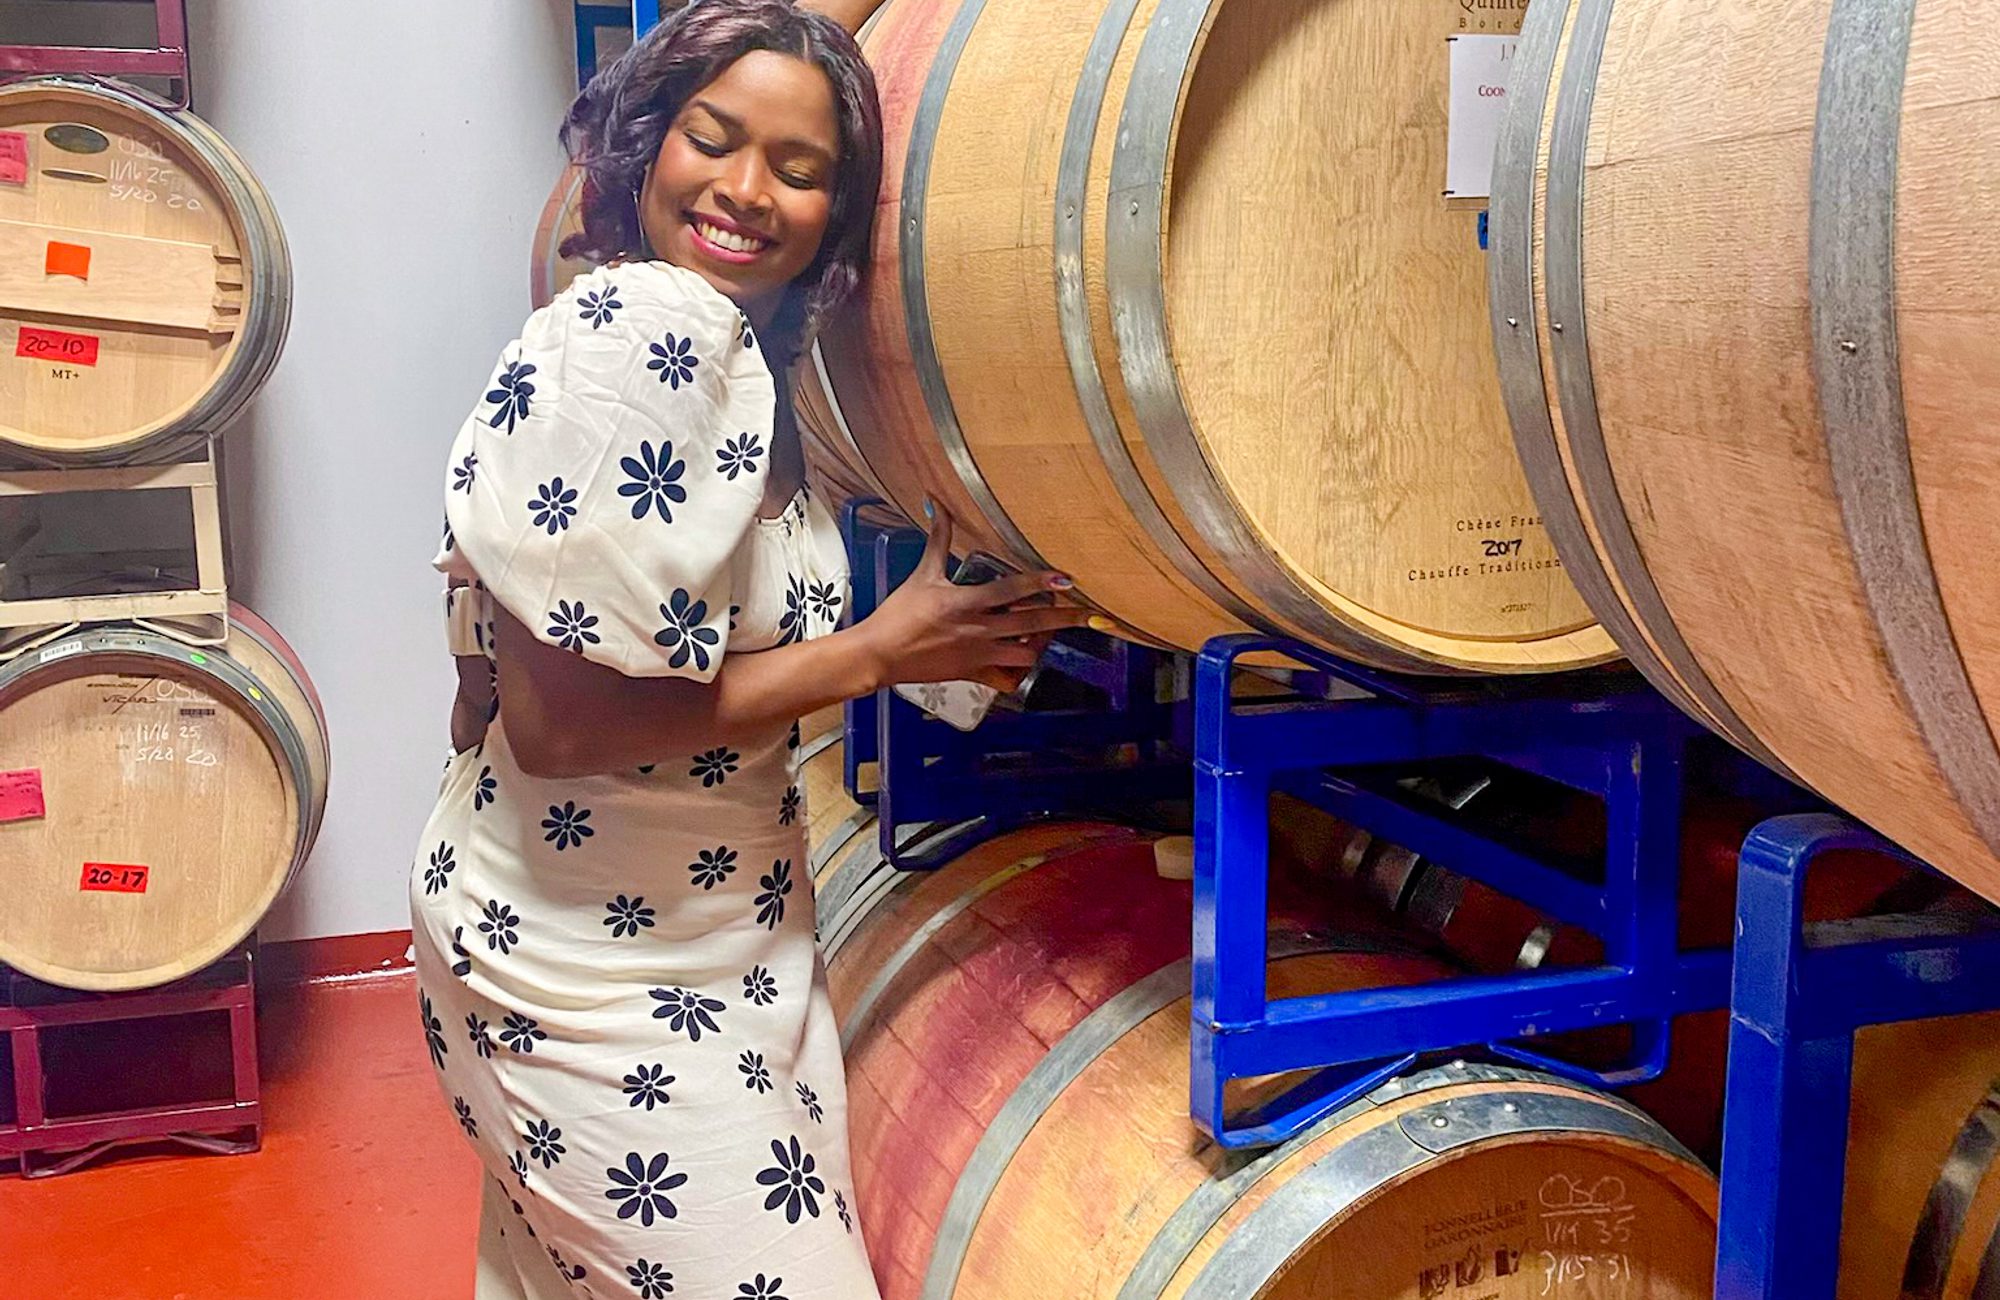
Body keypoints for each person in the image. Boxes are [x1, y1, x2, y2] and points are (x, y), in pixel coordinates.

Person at [408, 3, 1079, 1295]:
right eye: (712, 141)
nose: (745, 191)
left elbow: (480, 700)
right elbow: (555, 731)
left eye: (799, 167)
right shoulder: (647, 335)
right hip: (594, 965)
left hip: (713, 934)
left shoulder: (746, 362)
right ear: (648, 144)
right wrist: (878, 654)